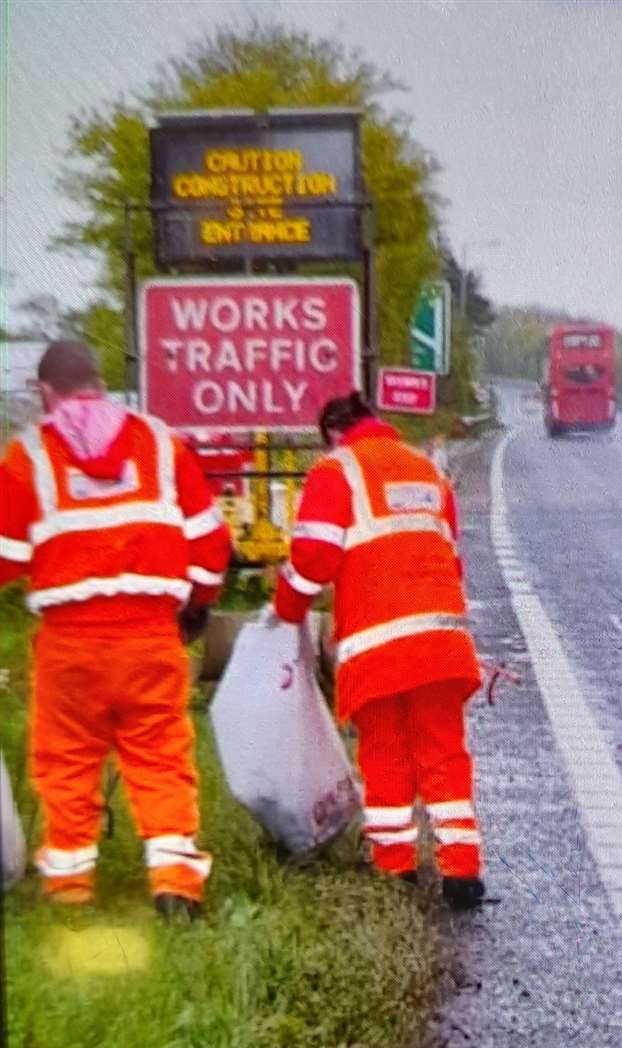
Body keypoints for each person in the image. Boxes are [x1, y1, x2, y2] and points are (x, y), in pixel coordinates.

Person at [0, 341, 231, 919]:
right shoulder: (159, 443)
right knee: (159, 754)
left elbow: (3, 556)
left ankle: (70, 891)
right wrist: (197, 604)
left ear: (44, 391)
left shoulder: (28, 456)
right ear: (99, 383)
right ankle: (176, 883)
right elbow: (209, 543)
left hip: (68, 645)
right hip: (152, 635)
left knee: (67, 760)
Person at [272, 392, 487, 909]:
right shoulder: (426, 471)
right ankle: (462, 871)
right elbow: (451, 558)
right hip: (441, 639)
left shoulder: (336, 471)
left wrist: (285, 610)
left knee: (385, 753)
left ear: (333, 433)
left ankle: (397, 868)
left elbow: (314, 560)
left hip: (378, 645)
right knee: (444, 752)